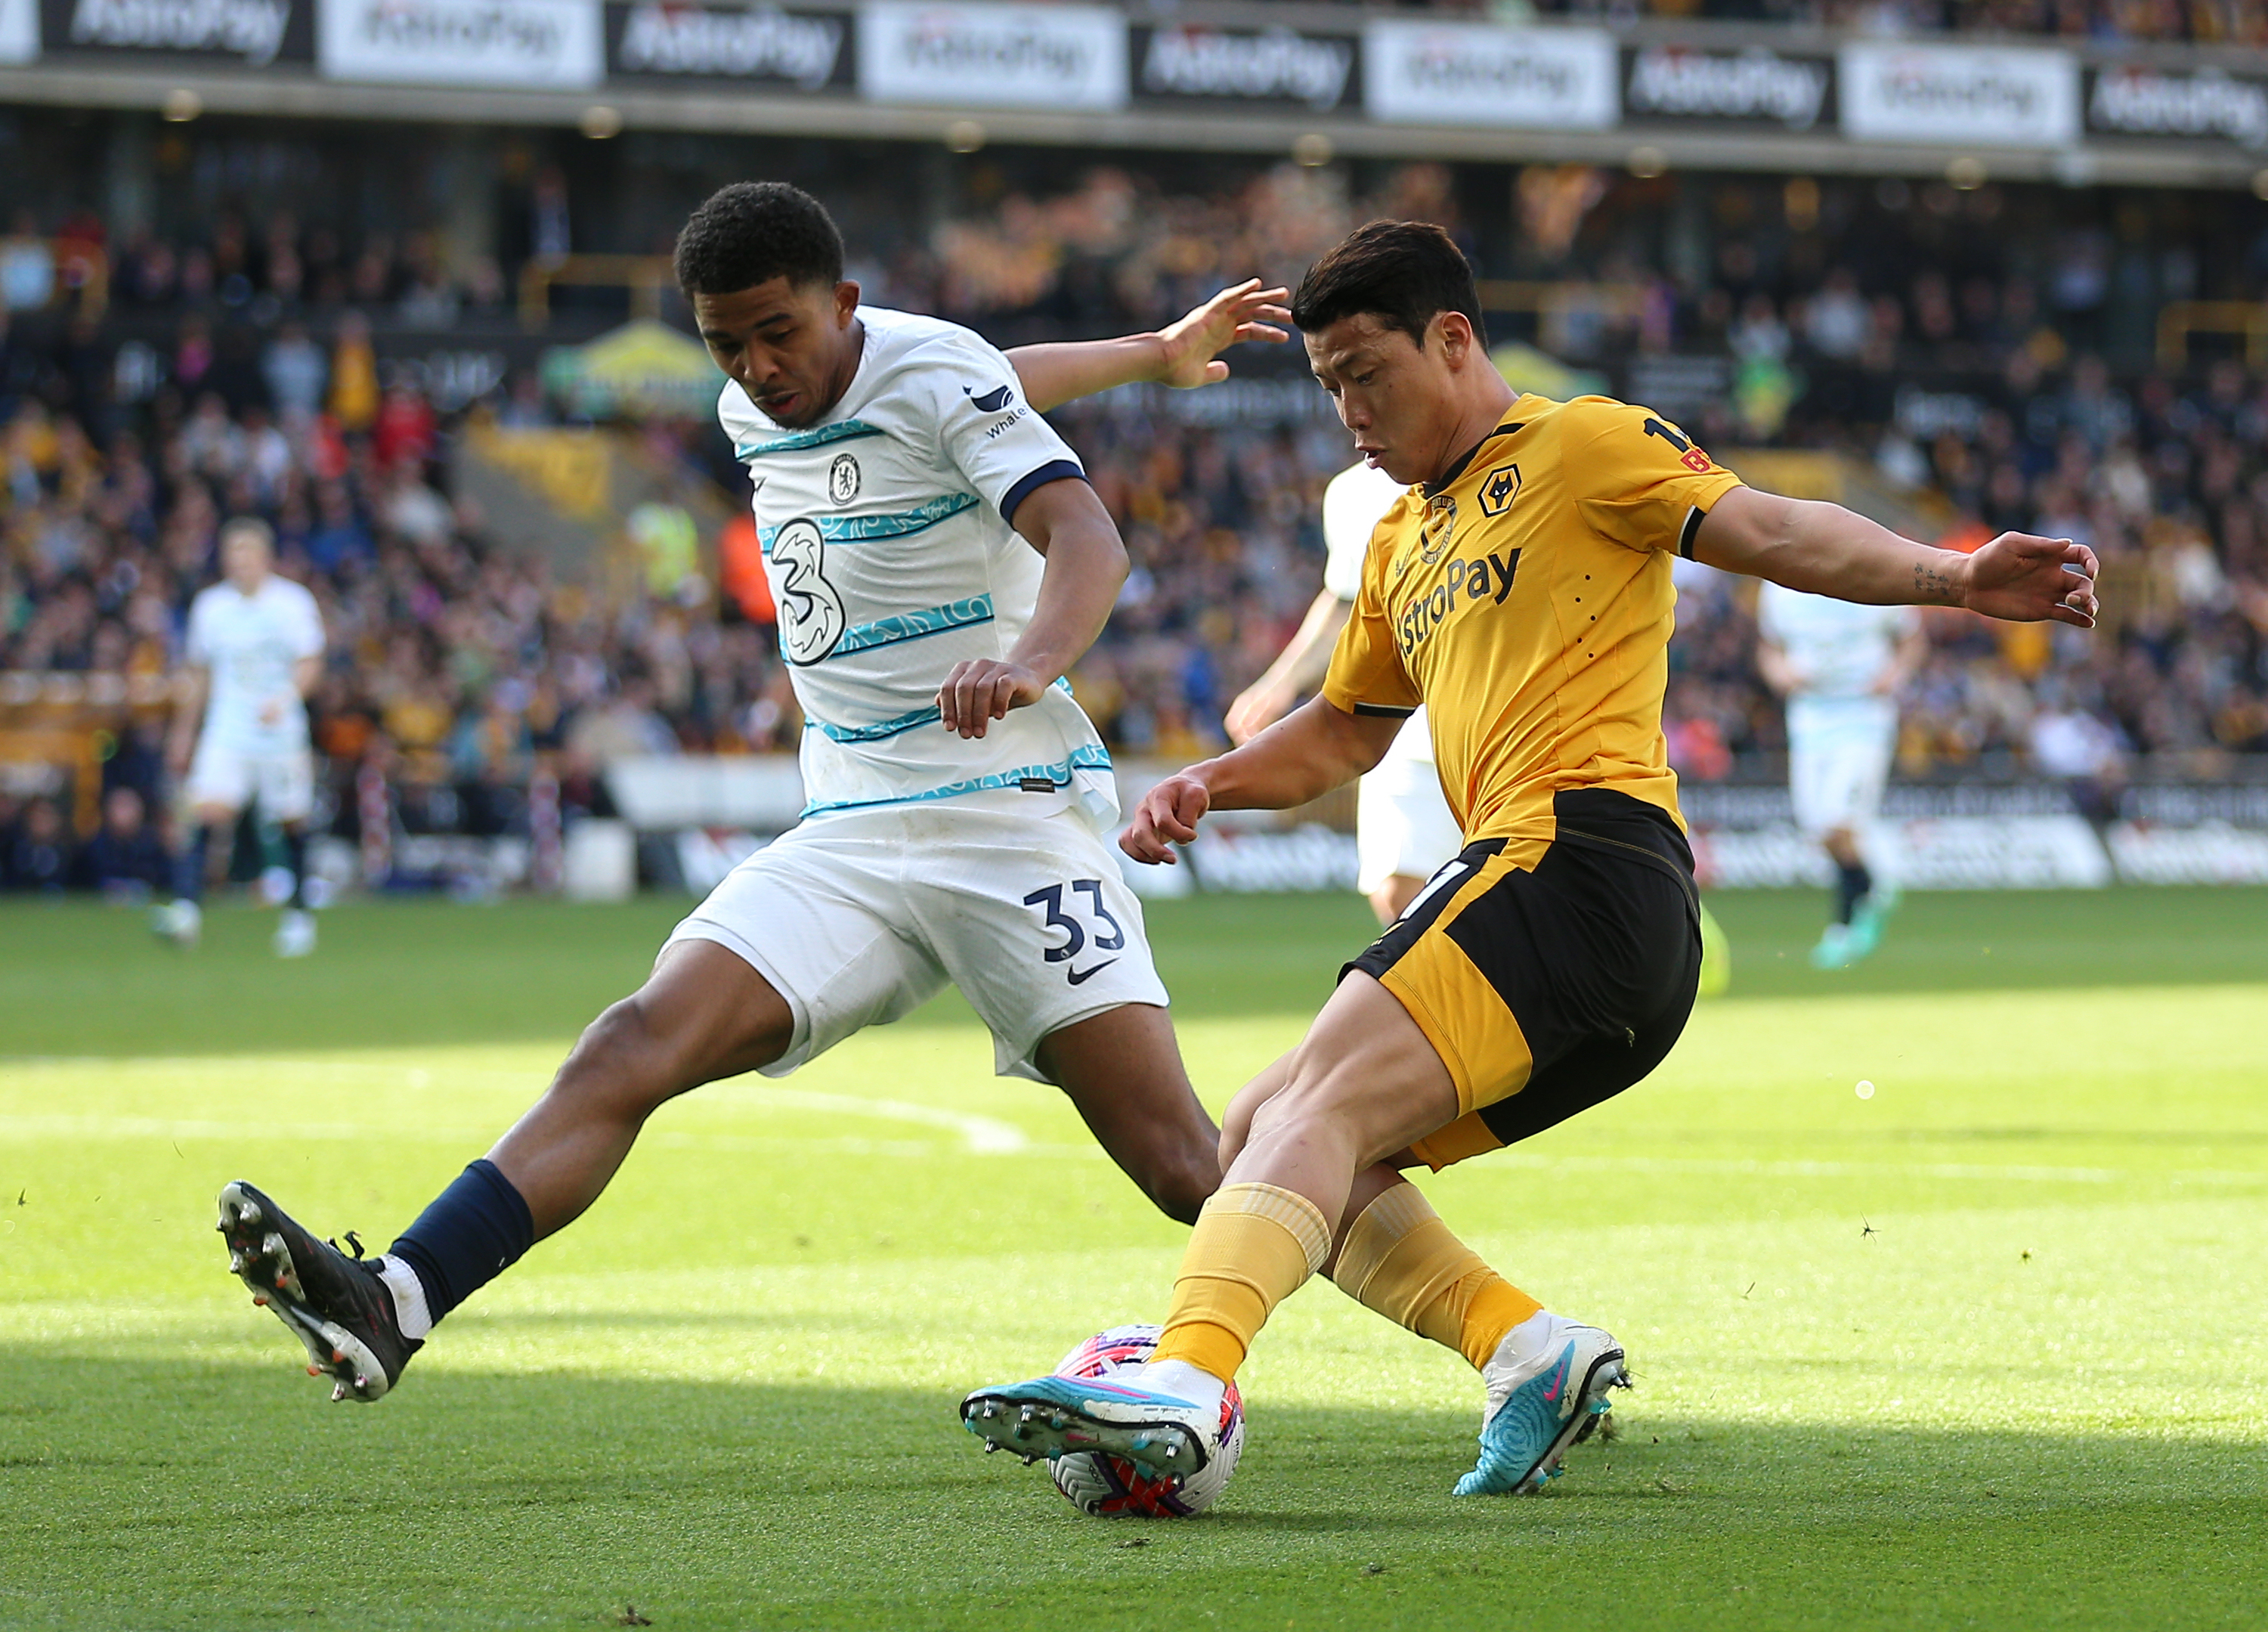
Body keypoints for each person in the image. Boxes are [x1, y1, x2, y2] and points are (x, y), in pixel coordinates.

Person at [962, 221, 2096, 1497]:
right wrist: (1209, 783)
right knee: (1262, 1129)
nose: (1348, 409)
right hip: (1565, 918)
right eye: (1328, 384)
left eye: (1365, 372)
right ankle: (1529, 1349)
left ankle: (1183, 1371)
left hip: (1581, 856)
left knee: (1315, 1100)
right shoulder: (1400, 537)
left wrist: (1951, 578)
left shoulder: (1583, 443)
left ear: (1453, 338)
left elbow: (1771, 529)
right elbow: (1343, 730)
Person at [212, 182, 1295, 1407]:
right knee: (631, 1040)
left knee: (1180, 1163)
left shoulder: (930, 369)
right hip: (850, 827)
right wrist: (1151, 355)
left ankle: (1506, 1335)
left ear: (844, 302)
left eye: (778, 333)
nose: (757, 366)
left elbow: (1087, 535)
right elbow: (997, 373)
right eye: (727, 342)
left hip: (1009, 814)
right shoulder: (753, 399)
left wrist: (1029, 661)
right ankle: (393, 1300)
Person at [1227, 460, 1457, 924]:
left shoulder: (1508, 457)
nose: (1353, 409)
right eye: (1336, 390)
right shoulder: (1352, 492)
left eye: (1366, 383)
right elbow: (1347, 599)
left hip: (1504, 719)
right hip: (1400, 724)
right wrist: (1280, 683)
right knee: (1399, 897)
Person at [153, 517, 326, 957]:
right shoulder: (211, 607)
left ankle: (298, 916)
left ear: (266, 557)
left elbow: (310, 662)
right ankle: (187, 910)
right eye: (233, 552)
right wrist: (183, 734)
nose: (239, 561)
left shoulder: (291, 603)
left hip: (280, 734)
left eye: (247, 552)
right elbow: (200, 674)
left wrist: (285, 700)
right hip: (227, 732)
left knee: (291, 823)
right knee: (207, 813)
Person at [1755, 581, 1926, 968]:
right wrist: (1779, 673)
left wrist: (1894, 675)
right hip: (1809, 720)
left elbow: (1912, 638)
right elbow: (1769, 647)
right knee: (1816, 827)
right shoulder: (1779, 588)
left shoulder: (1867, 573)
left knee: (1837, 821)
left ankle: (1846, 923)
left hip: (1863, 716)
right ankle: (1875, 882)